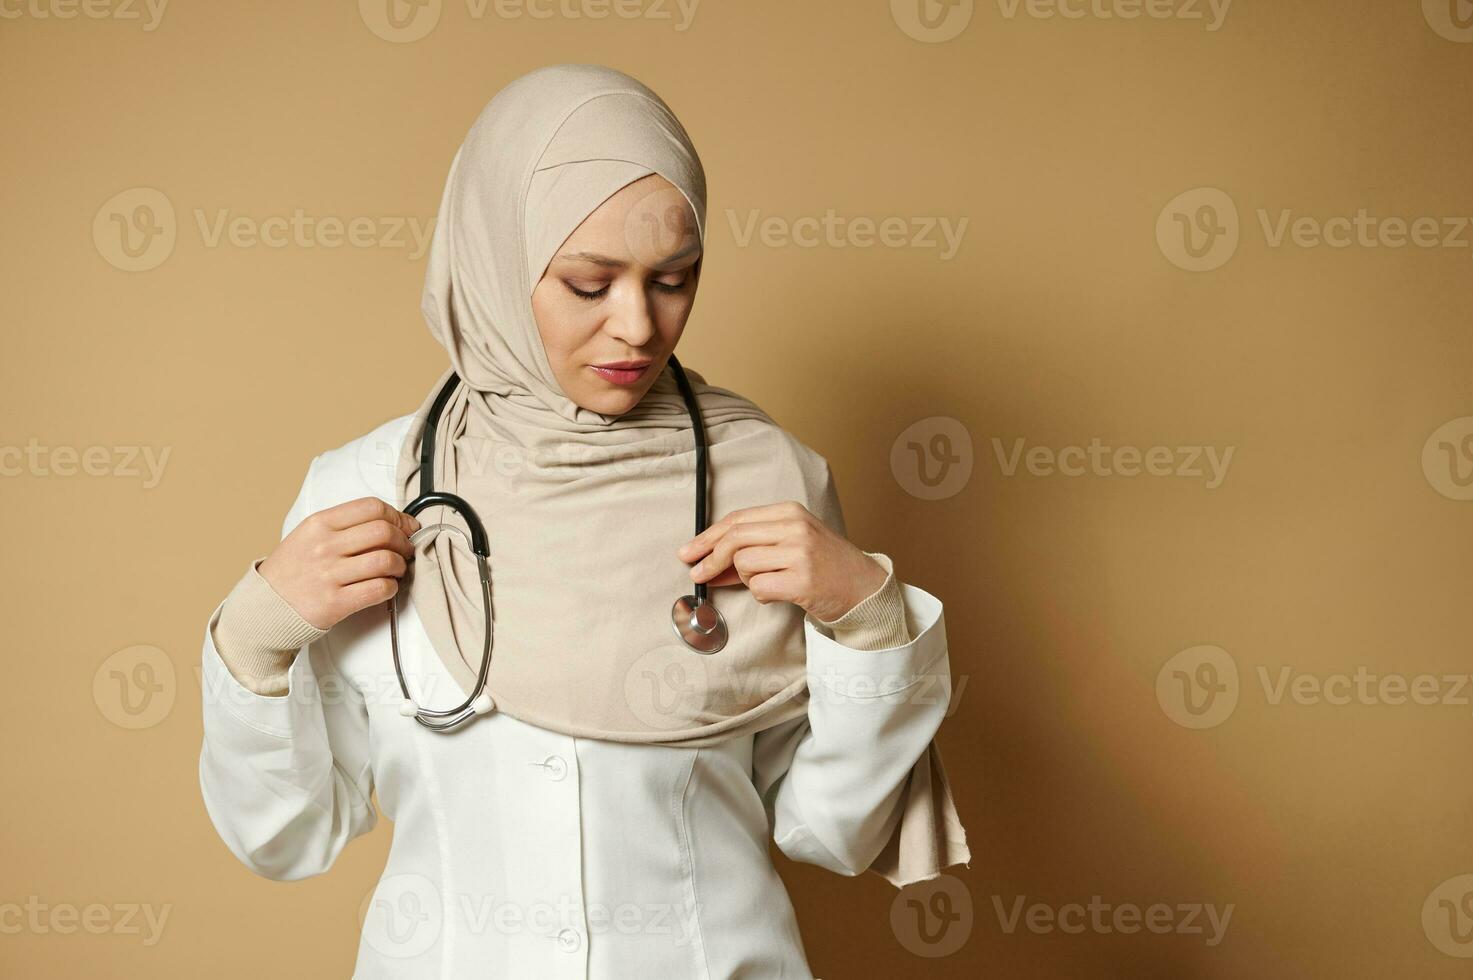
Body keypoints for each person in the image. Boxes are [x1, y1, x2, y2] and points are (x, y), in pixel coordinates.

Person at [197, 62, 969, 978]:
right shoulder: (364, 488)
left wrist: (870, 620)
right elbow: (286, 838)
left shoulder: (770, 482)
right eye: (587, 283)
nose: (638, 327)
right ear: (495, 260)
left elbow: (830, 830)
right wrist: (250, 644)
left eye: (673, 280)